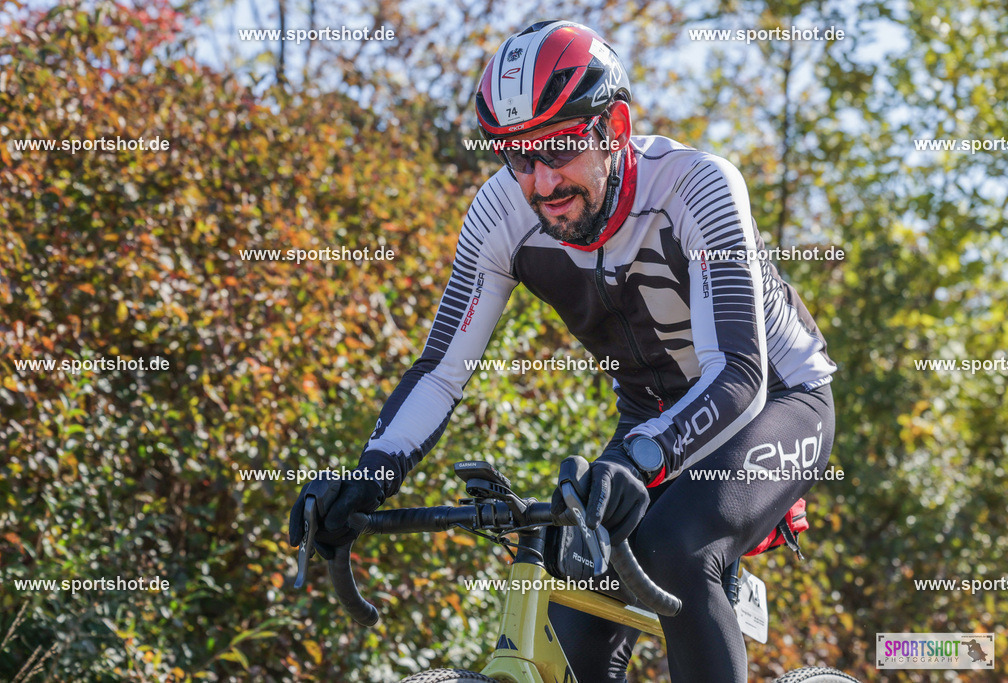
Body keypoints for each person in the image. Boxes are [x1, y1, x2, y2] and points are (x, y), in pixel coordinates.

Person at [289, 19, 837, 683]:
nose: (542, 181)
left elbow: (740, 375)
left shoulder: (699, 186)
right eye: (518, 156)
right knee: (568, 566)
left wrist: (646, 455)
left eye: (557, 146)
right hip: (649, 418)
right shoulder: (499, 216)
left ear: (616, 127)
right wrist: (369, 477)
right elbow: (441, 369)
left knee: (674, 548)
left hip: (773, 402)